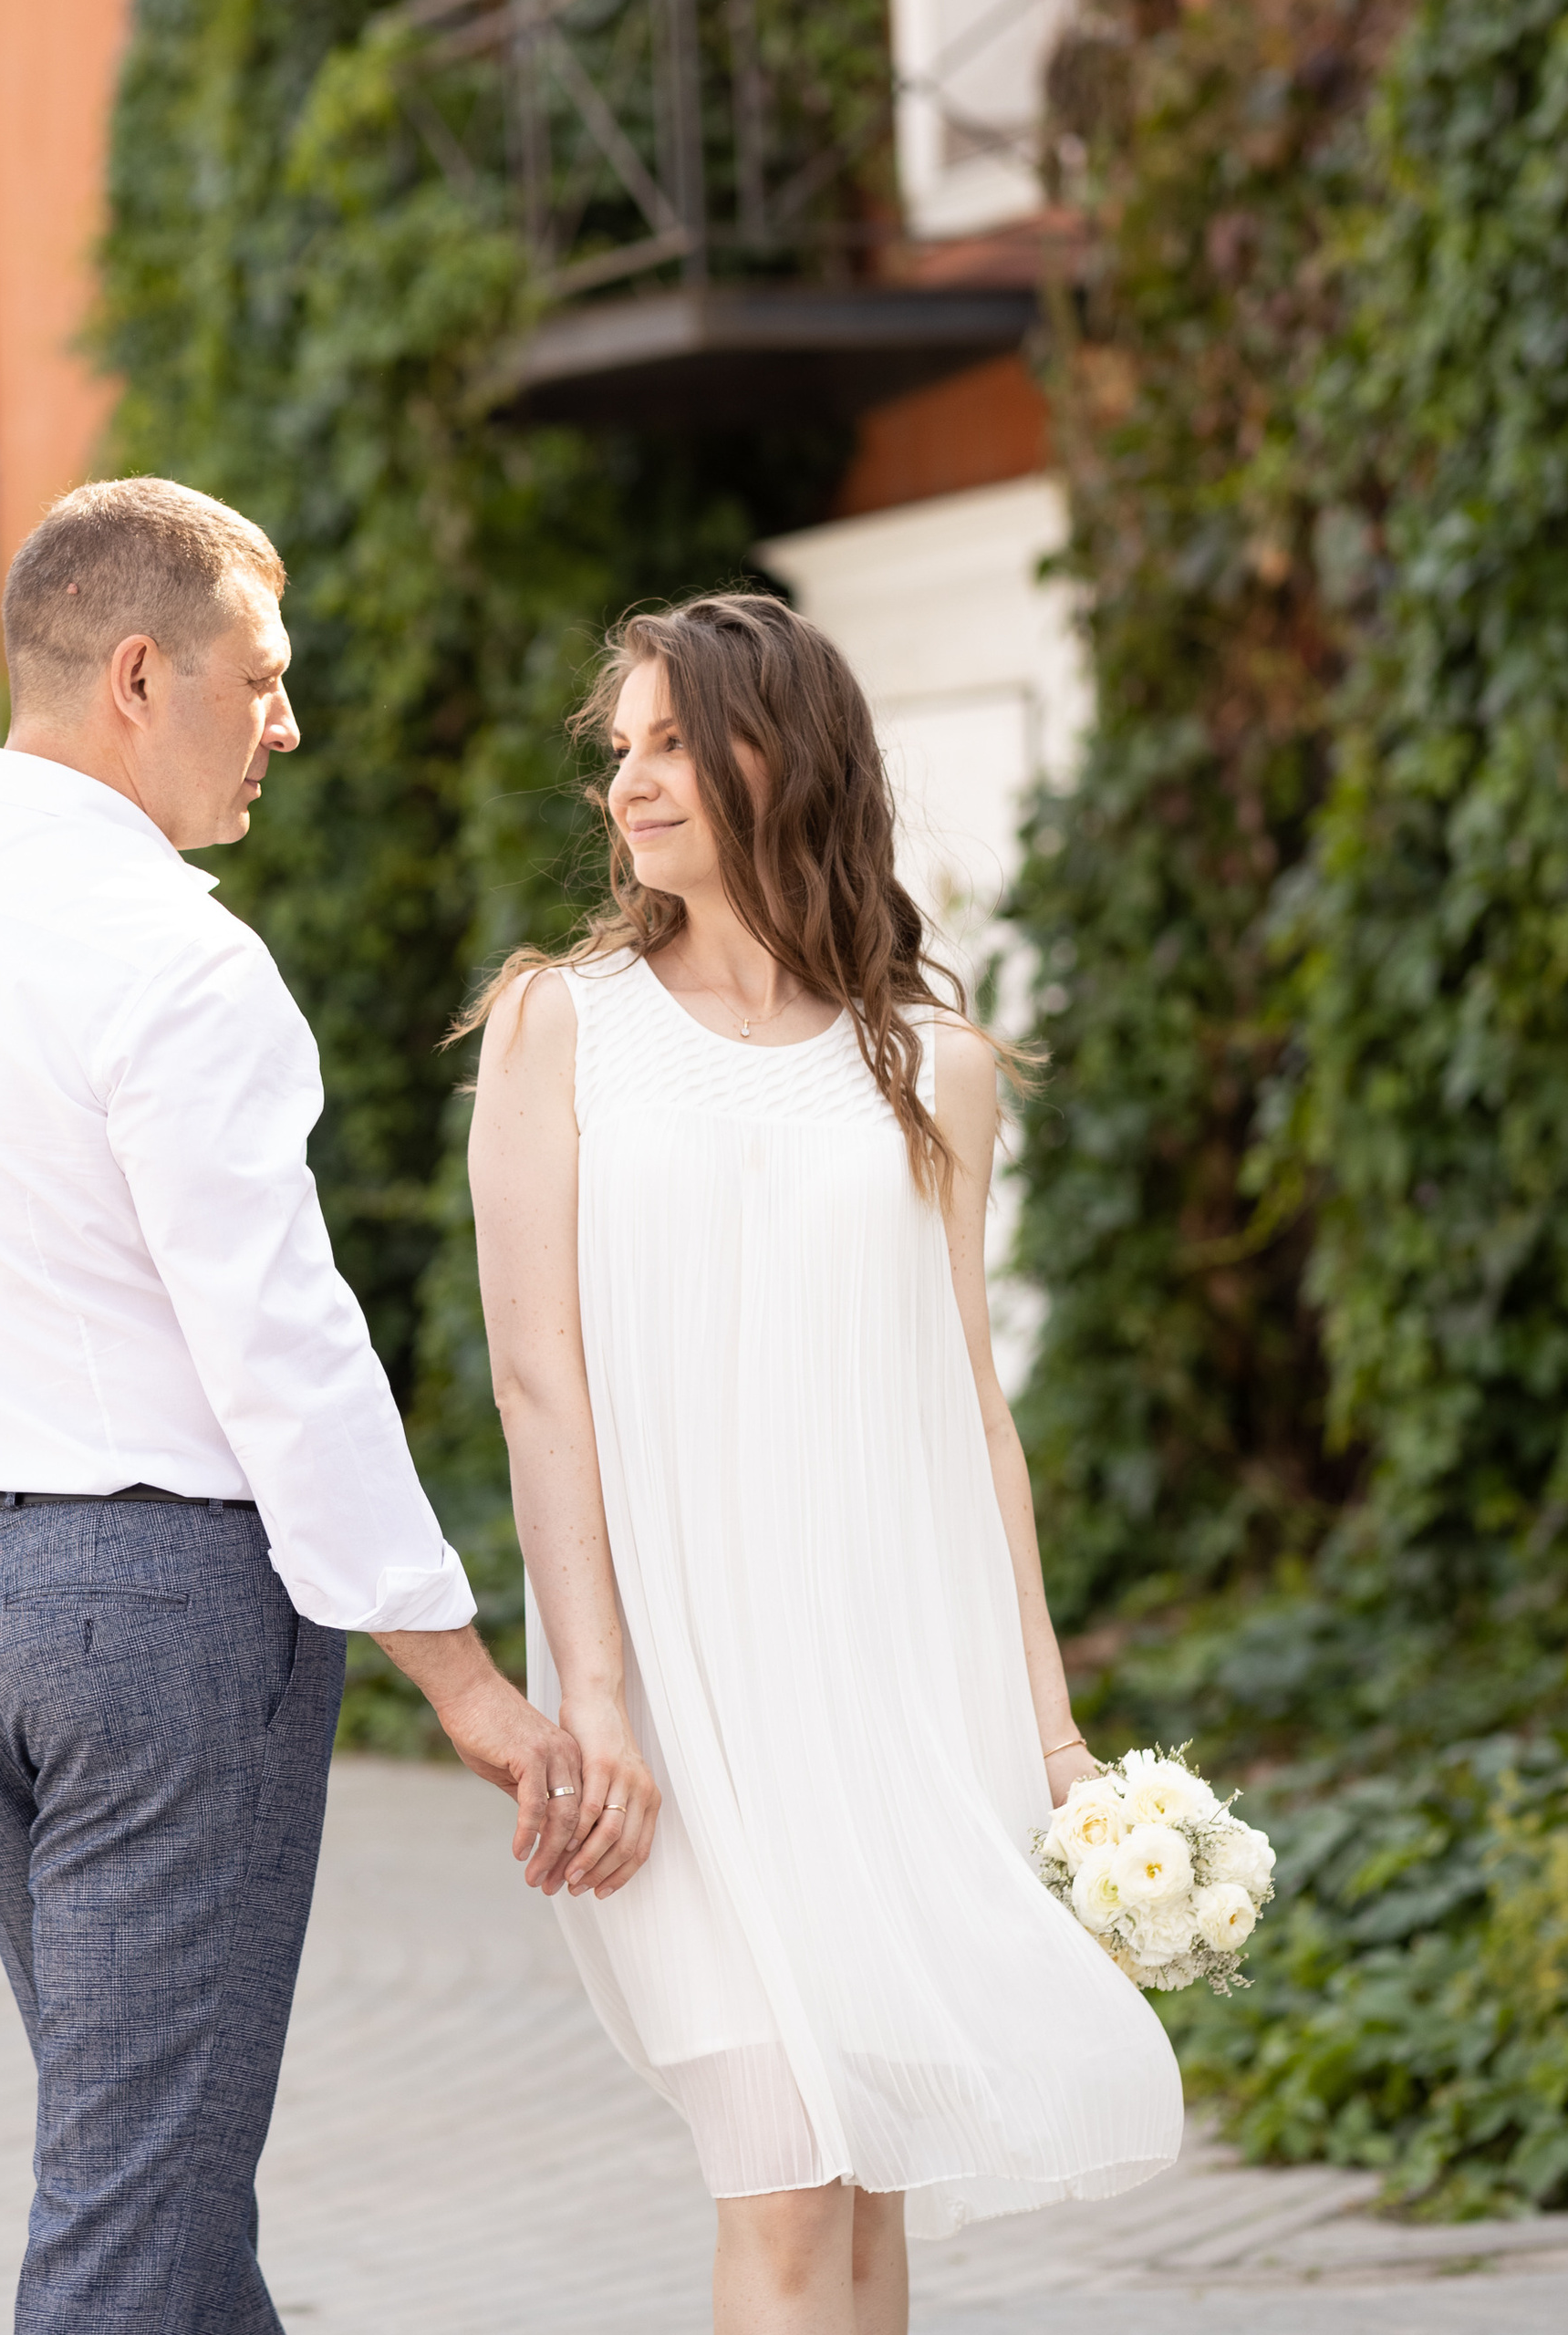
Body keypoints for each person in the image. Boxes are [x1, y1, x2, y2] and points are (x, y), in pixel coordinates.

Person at [0, 476, 585, 2335]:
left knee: (155, 2176)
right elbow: (279, 1341)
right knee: (132, 2221)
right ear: (140, 672)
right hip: (161, 1621)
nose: (285, 722)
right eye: (261, 678)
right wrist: (457, 1671)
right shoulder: (174, 956)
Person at [465, 593, 1184, 2333]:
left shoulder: (929, 1066)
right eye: (617, 749)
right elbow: (534, 1384)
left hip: (883, 1684)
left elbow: (969, 1413)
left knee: (865, 2181)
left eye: (667, 744)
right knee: (785, 2174)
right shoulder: (563, 1025)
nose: (626, 784)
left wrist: (1052, 1729)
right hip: (675, 1701)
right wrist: (603, 1701)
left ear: (776, 757)